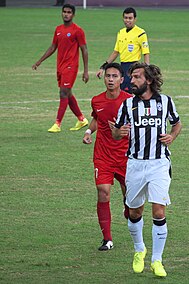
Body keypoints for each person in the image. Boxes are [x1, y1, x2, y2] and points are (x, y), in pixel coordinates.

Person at [111, 62, 182, 277]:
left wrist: (172, 136)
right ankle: (139, 249)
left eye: (136, 77)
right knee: (134, 211)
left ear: (148, 80)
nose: (130, 81)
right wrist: (118, 132)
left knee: (159, 211)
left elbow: (177, 123)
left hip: (159, 163)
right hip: (135, 164)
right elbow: (116, 133)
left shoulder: (166, 102)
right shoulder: (127, 105)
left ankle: (157, 260)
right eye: (131, 77)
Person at [83, 63, 132, 251]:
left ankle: (128, 209)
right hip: (103, 155)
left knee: (130, 195)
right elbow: (97, 118)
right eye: (108, 76)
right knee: (103, 192)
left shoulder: (130, 101)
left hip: (126, 156)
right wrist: (88, 131)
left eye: (114, 76)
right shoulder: (97, 100)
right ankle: (107, 239)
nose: (110, 79)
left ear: (121, 79)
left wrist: (123, 131)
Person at [32, 4, 89, 133]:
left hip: (71, 66)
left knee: (63, 92)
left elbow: (84, 49)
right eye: (64, 12)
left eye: (69, 12)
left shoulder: (77, 30)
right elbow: (53, 47)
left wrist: (85, 71)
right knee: (67, 93)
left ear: (73, 15)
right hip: (60, 67)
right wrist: (39, 61)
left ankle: (57, 123)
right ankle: (81, 119)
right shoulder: (58, 29)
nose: (66, 14)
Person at [96, 7, 150, 94]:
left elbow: (146, 52)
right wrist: (103, 67)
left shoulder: (141, 33)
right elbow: (116, 52)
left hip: (133, 67)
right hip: (122, 67)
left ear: (135, 19)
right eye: (125, 18)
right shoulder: (121, 33)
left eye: (130, 18)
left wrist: (147, 70)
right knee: (121, 93)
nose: (127, 20)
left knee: (131, 93)